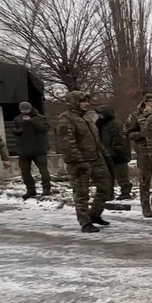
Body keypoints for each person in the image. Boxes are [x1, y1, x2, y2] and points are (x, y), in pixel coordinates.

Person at [57, 90, 112, 233]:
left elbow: (95, 139)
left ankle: (94, 214)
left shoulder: (87, 118)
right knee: (82, 193)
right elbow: (68, 143)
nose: (86, 104)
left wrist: (104, 154)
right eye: (83, 101)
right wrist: (78, 161)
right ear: (74, 102)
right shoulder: (66, 119)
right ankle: (85, 221)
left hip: (96, 159)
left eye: (87, 101)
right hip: (79, 161)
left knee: (105, 187)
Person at [125, 93, 152, 218]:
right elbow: (127, 133)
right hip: (144, 150)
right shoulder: (136, 115)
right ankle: (145, 205)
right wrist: (142, 134)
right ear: (146, 102)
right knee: (145, 178)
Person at [12, 101, 52, 199]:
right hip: (24, 150)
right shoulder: (18, 118)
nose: (24, 112)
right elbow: (15, 129)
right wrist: (16, 131)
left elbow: (44, 129)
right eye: (22, 110)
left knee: (43, 170)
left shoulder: (40, 118)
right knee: (25, 171)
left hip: (39, 149)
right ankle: (30, 190)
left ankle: (46, 189)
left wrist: (31, 121)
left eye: (26, 109)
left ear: (30, 109)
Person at [96, 106, 133, 200]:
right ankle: (109, 194)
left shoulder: (115, 125)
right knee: (107, 176)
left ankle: (125, 193)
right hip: (106, 153)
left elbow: (120, 140)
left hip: (118, 154)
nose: (99, 116)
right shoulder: (100, 125)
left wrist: (114, 151)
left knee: (121, 175)